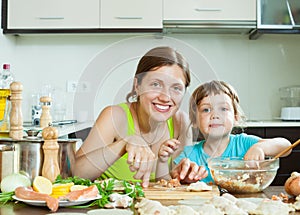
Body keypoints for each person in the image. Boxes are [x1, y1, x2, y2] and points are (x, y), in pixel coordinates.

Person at [74, 46, 193, 187]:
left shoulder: (181, 122)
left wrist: (184, 175)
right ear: (138, 85)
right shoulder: (114, 116)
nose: (165, 97)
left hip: (158, 207)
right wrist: (123, 143)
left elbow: (175, 181)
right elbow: (73, 174)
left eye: (176, 88)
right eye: (155, 84)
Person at [157, 80, 292, 183]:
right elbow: (167, 182)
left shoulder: (244, 143)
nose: (215, 115)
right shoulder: (189, 154)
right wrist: (163, 162)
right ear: (195, 121)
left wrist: (260, 147)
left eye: (223, 109)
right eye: (206, 110)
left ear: (236, 117)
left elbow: (286, 146)